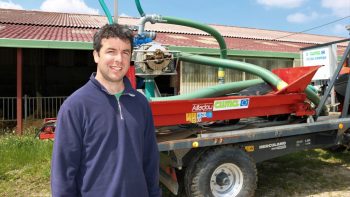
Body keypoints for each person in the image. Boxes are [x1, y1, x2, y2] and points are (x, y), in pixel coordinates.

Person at [51, 23, 161, 197]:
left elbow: (150, 162)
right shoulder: (75, 106)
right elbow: (63, 174)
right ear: (96, 55)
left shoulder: (140, 104)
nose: (119, 59)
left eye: (125, 52)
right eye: (111, 51)